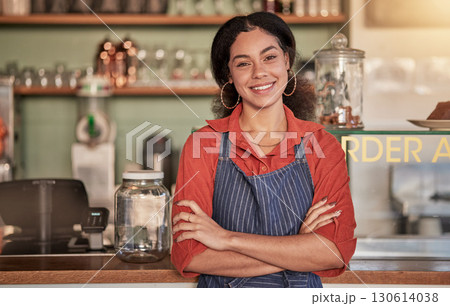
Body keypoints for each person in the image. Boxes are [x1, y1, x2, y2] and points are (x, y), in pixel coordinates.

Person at [171, 12, 356, 288]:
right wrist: (300, 249)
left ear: (287, 61)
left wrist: (225, 239)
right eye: (243, 63)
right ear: (229, 76)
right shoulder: (203, 144)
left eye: (269, 57)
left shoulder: (323, 145)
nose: (259, 72)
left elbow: (335, 252)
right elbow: (190, 256)